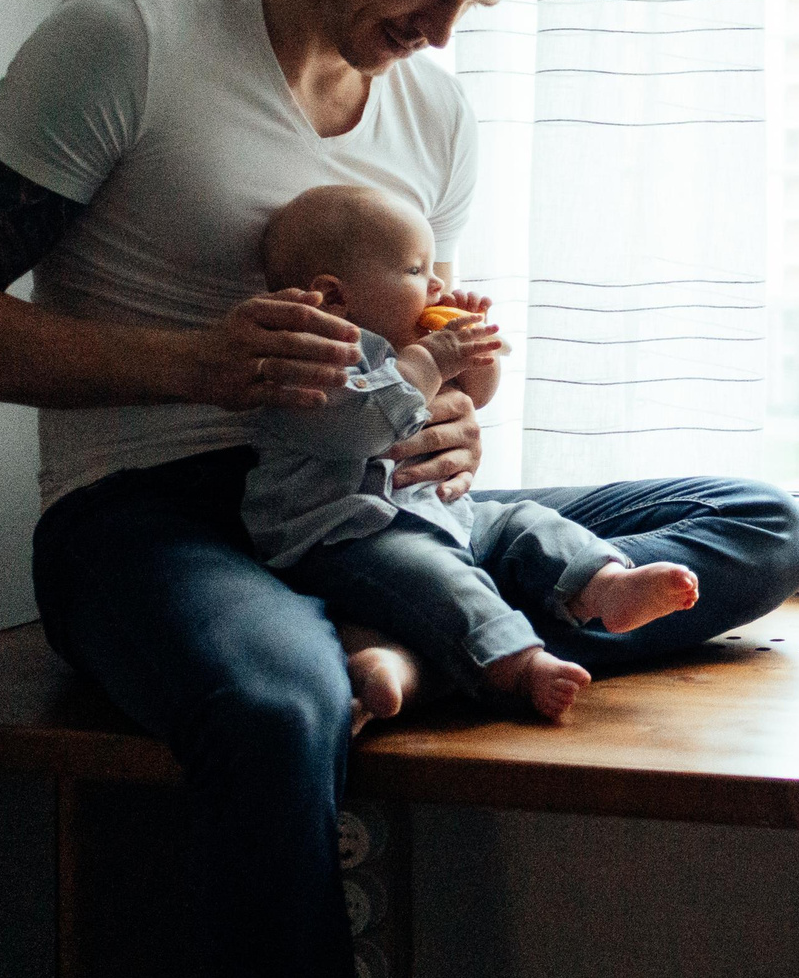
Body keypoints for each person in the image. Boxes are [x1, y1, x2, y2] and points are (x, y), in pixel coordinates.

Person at [0, 0, 799, 978]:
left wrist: (463, 406)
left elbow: (428, 348)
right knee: (271, 711)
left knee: (757, 526)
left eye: (476, 2)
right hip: (154, 521)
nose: (443, 32)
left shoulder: (435, 108)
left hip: (380, 507)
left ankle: (400, 645)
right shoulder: (125, 42)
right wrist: (199, 366)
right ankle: (390, 651)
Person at [246, 183, 702, 721]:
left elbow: (473, 396)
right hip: (347, 538)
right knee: (433, 574)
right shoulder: (309, 358)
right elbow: (364, 425)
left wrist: (472, 350)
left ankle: (603, 585)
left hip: (441, 512)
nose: (436, 281)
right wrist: (432, 358)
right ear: (337, 294)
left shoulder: (402, 346)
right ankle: (521, 664)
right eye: (416, 271)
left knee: (523, 522)